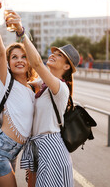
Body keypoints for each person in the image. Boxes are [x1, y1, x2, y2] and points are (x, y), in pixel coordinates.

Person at [8, 11, 79, 186]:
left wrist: (21, 32)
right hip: (36, 146)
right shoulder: (41, 84)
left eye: (60, 55)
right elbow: (20, 80)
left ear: (66, 66)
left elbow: (37, 63)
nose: (53, 54)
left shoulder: (60, 87)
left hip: (52, 148)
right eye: (53, 52)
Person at [0, 0, 37, 187]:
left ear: (29, 62)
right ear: (9, 63)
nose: (19, 60)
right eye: (14, 57)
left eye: (23, 57)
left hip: (10, 154)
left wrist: (22, 31)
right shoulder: (7, 81)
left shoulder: (31, 89)